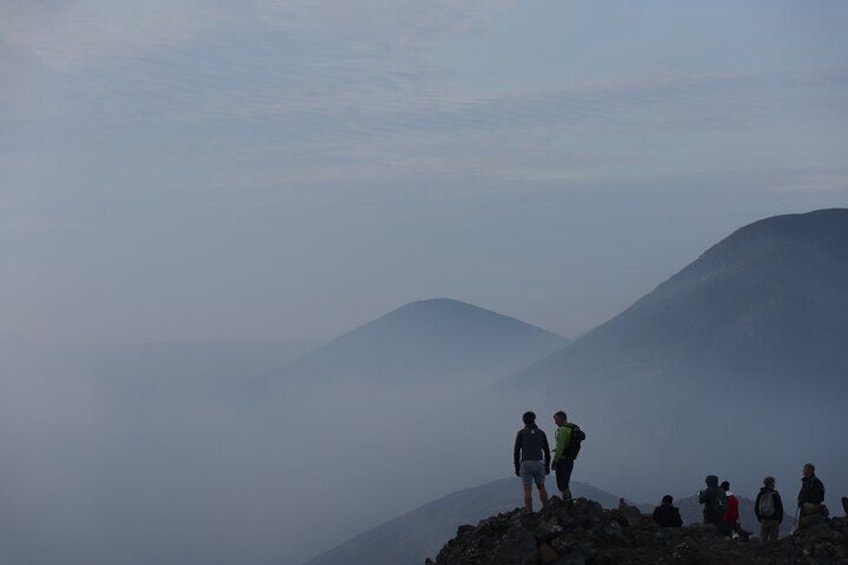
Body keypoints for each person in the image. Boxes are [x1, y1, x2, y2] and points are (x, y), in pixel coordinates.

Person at [513, 411, 551, 513]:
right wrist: (547, 466)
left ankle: (529, 513)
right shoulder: (541, 433)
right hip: (539, 462)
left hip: (526, 463)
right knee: (541, 486)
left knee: (527, 489)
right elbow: (547, 451)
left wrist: (517, 467)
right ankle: (547, 509)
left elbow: (516, 452)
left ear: (524, 421)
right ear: (534, 420)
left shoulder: (521, 433)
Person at [552, 410, 576, 501]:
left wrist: (555, 460)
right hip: (570, 459)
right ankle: (568, 501)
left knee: (562, 484)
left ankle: (566, 502)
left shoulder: (562, 430)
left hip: (562, 460)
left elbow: (560, 447)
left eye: (556, 420)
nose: (555, 422)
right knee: (566, 482)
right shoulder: (572, 429)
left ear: (561, 419)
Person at [754, 476, 784, 545]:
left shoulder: (761, 493)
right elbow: (779, 508)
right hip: (774, 520)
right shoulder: (775, 494)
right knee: (773, 542)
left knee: (763, 540)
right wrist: (779, 519)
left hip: (764, 520)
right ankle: (771, 555)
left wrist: (760, 518)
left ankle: (762, 554)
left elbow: (756, 507)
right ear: (772, 483)